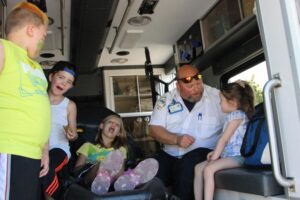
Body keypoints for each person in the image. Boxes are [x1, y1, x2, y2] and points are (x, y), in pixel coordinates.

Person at [149, 65, 225, 200]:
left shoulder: (217, 97)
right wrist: (176, 139)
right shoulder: (165, 100)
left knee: (186, 168)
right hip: (170, 154)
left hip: (204, 154)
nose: (196, 89)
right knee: (152, 176)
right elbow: (154, 129)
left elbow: (236, 113)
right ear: (178, 85)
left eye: (198, 84)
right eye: (190, 87)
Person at [0, 2, 51, 200]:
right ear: (31, 29)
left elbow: (41, 110)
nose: (42, 43)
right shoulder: (4, 49)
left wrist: (44, 149)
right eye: (43, 36)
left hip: (31, 154)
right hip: (8, 147)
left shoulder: (37, 68)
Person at [193, 80, 254, 200]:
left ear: (233, 102)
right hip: (228, 155)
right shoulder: (232, 116)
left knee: (209, 169)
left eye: (221, 101)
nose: (220, 104)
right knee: (198, 168)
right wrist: (216, 153)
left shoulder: (237, 116)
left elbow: (224, 139)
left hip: (238, 157)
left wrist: (215, 156)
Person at [74, 114, 159, 195]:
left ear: (119, 133)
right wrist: (99, 164)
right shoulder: (88, 146)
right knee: (106, 163)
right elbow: (77, 170)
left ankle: (130, 179)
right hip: (90, 177)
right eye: (110, 122)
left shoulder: (121, 150)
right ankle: (103, 178)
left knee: (116, 157)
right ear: (101, 126)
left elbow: (120, 169)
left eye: (117, 125)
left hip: (114, 179)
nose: (113, 125)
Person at [40, 61, 78, 199]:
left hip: (59, 148)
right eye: (61, 77)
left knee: (46, 167)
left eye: (69, 82)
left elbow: (73, 135)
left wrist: (71, 134)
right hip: (37, 148)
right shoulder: (37, 99)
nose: (63, 83)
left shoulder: (70, 105)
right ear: (51, 77)